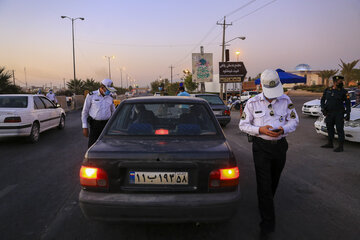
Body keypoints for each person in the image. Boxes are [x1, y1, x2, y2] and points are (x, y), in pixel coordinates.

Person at [239, 69, 299, 237]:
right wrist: (259, 129)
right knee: (264, 184)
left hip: (280, 146)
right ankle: (267, 225)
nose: (273, 97)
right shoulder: (252, 103)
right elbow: (243, 125)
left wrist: (283, 129)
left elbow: (294, 120)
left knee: (274, 181)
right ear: (262, 87)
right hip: (261, 147)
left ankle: (265, 203)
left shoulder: (286, 100)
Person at [81, 79, 116, 148]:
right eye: (108, 89)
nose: (109, 92)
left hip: (106, 125)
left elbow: (113, 112)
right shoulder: (91, 96)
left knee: (107, 146)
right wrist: (85, 127)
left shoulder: (110, 97)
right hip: (95, 125)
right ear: (102, 87)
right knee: (92, 147)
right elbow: (85, 112)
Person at [320, 75, 351, 152]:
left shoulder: (344, 91)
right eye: (339, 81)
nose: (341, 83)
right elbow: (322, 100)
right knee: (330, 129)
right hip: (329, 114)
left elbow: (347, 103)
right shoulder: (327, 90)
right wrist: (323, 108)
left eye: (341, 81)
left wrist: (348, 113)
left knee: (340, 129)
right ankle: (330, 143)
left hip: (339, 114)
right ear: (334, 82)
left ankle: (340, 147)